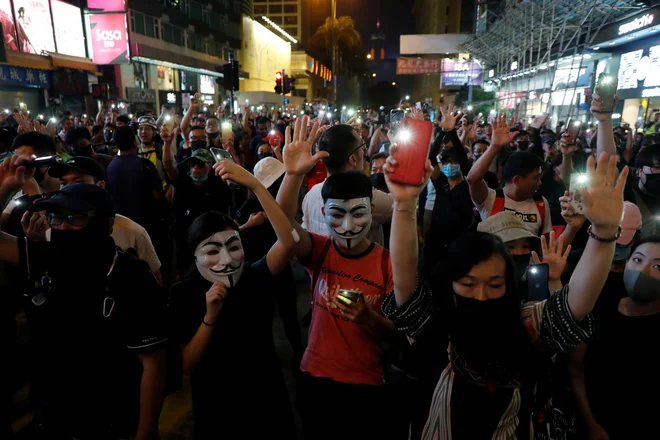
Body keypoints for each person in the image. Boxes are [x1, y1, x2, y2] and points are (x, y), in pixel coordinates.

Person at [382, 147, 630, 439]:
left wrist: (603, 232)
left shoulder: (526, 325)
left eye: (495, 284)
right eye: (469, 284)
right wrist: (404, 205)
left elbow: (576, 302)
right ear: (450, 285)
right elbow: (405, 280)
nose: (483, 295)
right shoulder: (436, 324)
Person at [0, 159, 168, 439]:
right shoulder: (51, 255)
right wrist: (5, 187)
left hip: (113, 416)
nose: (63, 227)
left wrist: (146, 433)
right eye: (57, 217)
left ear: (107, 223)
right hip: (61, 410)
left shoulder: (131, 277)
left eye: (76, 218)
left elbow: (154, 364)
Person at [276, 116, 422, 440]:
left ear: (373, 209)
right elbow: (283, 223)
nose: (347, 225)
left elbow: (404, 331)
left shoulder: (387, 264)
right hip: (315, 378)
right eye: (336, 215)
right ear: (324, 212)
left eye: (357, 213)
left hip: (366, 384)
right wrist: (292, 175)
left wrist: (371, 318)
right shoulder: (320, 251)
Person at [170, 159, 298, 439]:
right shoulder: (183, 293)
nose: (226, 260)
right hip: (217, 406)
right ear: (195, 255)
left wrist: (255, 185)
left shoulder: (254, 276)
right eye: (212, 251)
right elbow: (186, 366)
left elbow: (289, 241)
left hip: (266, 398)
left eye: (233, 246)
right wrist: (209, 318)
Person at [568, 235, 659, 440]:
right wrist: (590, 424)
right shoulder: (599, 306)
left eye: (657, 267)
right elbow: (575, 368)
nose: (642, 272)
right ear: (626, 261)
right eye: (637, 260)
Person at [24, 156, 163, 284]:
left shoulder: (133, 231)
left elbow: (155, 283)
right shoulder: (55, 229)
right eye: (64, 183)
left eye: (78, 182)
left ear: (101, 185)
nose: (70, 189)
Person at [234, 156, 303, 360]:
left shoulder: (283, 203)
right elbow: (231, 234)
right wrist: (249, 225)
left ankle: (299, 354)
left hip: (282, 269)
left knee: (289, 315)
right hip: (258, 270)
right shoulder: (249, 207)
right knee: (261, 319)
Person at [301, 124, 393, 246]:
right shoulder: (366, 196)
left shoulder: (311, 193)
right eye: (362, 146)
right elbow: (403, 204)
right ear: (353, 159)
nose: (364, 151)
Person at [468, 114, 552, 237]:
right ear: (517, 180)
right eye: (535, 178)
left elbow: (546, 246)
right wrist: (494, 146)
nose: (539, 183)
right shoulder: (491, 199)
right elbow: (472, 179)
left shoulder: (541, 203)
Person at [161, 126, 230, 274]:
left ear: (210, 166)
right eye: (193, 164)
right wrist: (167, 144)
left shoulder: (217, 179)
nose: (196, 168)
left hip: (210, 234)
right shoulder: (183, 176)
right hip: (184, 234)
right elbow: (168, 167)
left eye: (201, 164)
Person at [137, 116, 166, 185]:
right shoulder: (134, 151)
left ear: (154, 132)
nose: (143, 132)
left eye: (147, 129)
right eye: (140, 129)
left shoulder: (162, 150)